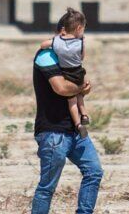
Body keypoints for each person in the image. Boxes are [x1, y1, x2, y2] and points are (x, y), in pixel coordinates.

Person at [30, 9, 107, 214]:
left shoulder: (69, 56)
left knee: (94, 171)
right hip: (53, 131)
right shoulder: (45, 56)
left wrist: (82, 89)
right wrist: (82, 88)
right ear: (62, 33)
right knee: (48, 185)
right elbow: (62, 89)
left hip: (74, 131)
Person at [39, 8, 91, 137]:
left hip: (67, 74)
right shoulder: (80, 43)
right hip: (78, 72)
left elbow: (43, 44)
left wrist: (56, 40)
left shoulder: (57, 42)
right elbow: (82, 57)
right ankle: (84, 114)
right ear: (79, 28)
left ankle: (78, 124)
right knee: (79, 94)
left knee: (72, 101)